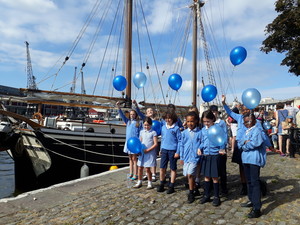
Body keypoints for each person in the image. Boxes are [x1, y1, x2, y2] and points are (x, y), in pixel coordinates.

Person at [238, 113, 267, 218]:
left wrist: (245, 145)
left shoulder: (257, 130)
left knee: (255, 182)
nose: (247, 124)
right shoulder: (245, 131)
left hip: (254, 159)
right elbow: (239, 142)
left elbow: (256, 143)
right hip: (245, 159)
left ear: (254, 120)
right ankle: (251, 199)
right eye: (245, 122)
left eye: (248, 121)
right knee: (249, 181)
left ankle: (257, 207)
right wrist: (244, 142)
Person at [222, 95, 249, 195]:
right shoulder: (239, 117)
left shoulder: (253, 119)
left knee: (248, 166)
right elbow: (230, 112)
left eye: (247, 109)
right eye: (243, 109)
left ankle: (250, 183)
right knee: (241, 167)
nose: (245, 111)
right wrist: (224, 103)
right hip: (240, 145)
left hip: (248, 145)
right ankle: (244, 185)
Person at [198, 110, 226, 207]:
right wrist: (199, 148)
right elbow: (202, 142)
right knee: (206, 176)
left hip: (215, 155)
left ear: (212, 119)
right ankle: (206, 195)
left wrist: (221, 148)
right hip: (206, 155)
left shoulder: (217, 128)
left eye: (208, 121)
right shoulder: (203, 130)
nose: (206, 123)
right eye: (204, 121)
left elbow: (222, 139)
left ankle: (216, 196)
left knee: (214, 176)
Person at [132, 100, 159, 182]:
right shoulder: (144, 120)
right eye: (148, 111)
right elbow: (139, 113)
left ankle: (153, 174)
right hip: (144, 145)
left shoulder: (156, 121)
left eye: (151, 110)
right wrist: (136, 105)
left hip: (152, 142)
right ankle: (146, 175)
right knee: (143, 164)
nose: (150, 112)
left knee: (152, 160)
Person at [157, 110, 182, 194]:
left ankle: (171, 185)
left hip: (172, 150)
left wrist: (178, 152)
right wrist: (160, 149)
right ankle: (161, 183)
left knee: (173, 168)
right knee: (162, 168)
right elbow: (162, 139)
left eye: (169, 118)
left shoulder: (176, 128)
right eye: (166, 118)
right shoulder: (163, 127)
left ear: (173, 119)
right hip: (164, 149)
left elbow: (180, 141)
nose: (168, 120)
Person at [116, 101, 142, 180]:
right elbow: (122, 115)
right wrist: (118, 107)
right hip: (128, 142)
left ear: (136, 115)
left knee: (134, 159)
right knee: (130, 158)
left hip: (134, 143)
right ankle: (130, 172)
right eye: (131, 114)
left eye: (133, 114)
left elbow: (140, 133)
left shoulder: (138, 123)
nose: (132, 115)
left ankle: (135, 173)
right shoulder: (128, 122)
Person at [179, 111, 202, 203]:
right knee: (187, 175)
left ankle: (191, 193)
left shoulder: (199, 132)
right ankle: (195, 189)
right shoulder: (184, 133)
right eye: (188, 122)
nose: (190, 123)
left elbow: (202, 142)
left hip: (195, 157)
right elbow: (181, 145)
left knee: (190, 174)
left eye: (191, 121)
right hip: (186, 157)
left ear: (196, 121)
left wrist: (200, 148)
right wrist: (181, 157)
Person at [133, 117, 158, 189]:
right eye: (145, 125)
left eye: (148, 125)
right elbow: (140, 142)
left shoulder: (153, 132)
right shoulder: (141, 132)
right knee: (140, 167)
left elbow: (155, 144)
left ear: (151, 125)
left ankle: (149, 182)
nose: (146, 127)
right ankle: (139, 181)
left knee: (147, 168)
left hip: (150, 153)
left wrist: (148, 150)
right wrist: (138, 150)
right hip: (142, 152)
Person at [210, 105, 228, 195]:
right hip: (212, 150)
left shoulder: (221, 123)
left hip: (220, 149)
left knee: (222, 169)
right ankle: (212, 186)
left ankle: (224, 187)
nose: (213, 113)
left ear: (217, 112)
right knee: (212, 169)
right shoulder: (210, 123)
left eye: (215, 112)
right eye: (212, 112)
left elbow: (224, 135)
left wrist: (222, 148)